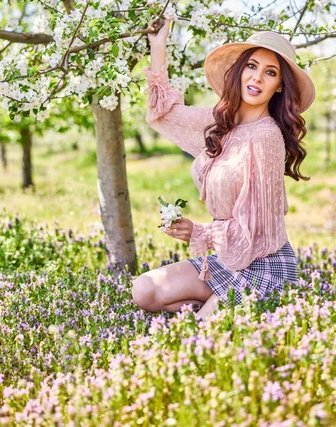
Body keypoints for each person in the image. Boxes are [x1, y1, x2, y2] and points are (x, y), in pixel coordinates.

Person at [132, 18, 315, 321]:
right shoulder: (220, 122)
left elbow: (257, 230)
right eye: (252, 66)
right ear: (240, 70)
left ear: (279, 85)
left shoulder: (266, 137)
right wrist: (158, 45)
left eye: (270, 73)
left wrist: (198, 231)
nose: (257, 78)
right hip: (229, 259)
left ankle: (231, 311)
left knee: (204, 333)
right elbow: (164, 114)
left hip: (264, 266)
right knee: (144, 290)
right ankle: (220, 309)